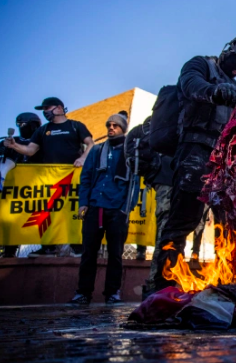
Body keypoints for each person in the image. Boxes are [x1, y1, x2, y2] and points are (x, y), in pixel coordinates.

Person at [152, 33, 236, 293]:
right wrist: (213, 91)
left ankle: (231, 286)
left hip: (226, 163)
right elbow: (190, 85)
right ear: (232, 47)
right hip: (195, 153)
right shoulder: (201, 65)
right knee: (183, 221)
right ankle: (163, 288)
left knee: (232, 227)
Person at [3, 97, 94, 257]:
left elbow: (91, 143)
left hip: (72, 177)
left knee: (73, 210)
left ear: (59, 108)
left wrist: (83, 158)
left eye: (48, 108)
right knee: (48, 212)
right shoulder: (43, 130)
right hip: (49, 179)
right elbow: (31, 150)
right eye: (43, 109)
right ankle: (48, 248)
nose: (45, 112)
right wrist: (14, 146)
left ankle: (78, 248)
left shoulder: (75, 126)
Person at [70, 113, 138, 305]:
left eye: (115, 125)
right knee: (89, 252)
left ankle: (112, 293)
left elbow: (135, 183)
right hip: (95, 207)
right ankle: (83, 292)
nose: (111, 128)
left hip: (118, 209)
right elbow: (86, 177)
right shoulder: (97, 150)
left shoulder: (130, 152)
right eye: (109, 124)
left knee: (115, 254)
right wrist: (84, 202)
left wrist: (128, 208)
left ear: (123, 128)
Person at [124, 116, 175, 298]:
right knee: (166, 232)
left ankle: (162, 282)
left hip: (167, 181)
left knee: (169, 232)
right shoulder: (163, 125)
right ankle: (157, 284)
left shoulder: (162, 125)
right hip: (167, 181)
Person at [0, 112, 44, 258]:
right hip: (13, 191)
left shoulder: (43, 140)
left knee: (41, 219)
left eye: (24, 124)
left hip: (37, 189)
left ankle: (47, 248)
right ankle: (8, 253)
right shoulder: (12, 140)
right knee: (11, 220)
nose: (21, 127)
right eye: (19, 124)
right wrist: (5, 147)